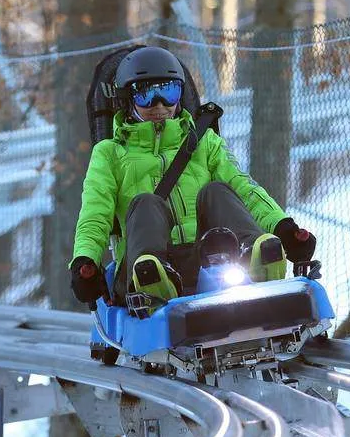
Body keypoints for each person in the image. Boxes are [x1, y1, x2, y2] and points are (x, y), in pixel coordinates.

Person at [69, 46, 316, 310]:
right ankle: (153, 278)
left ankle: (257, 257)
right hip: (138, 269)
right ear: (127, 99)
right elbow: (95, 215)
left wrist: (283, 227)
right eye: (146, 95)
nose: (159, 105)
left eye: (169, 92)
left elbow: (244, 188)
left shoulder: (203, 141)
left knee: (217, 191)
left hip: (209, 259)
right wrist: (85, 261)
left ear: (180, 94)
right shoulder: (109, 153)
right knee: (145, 203)